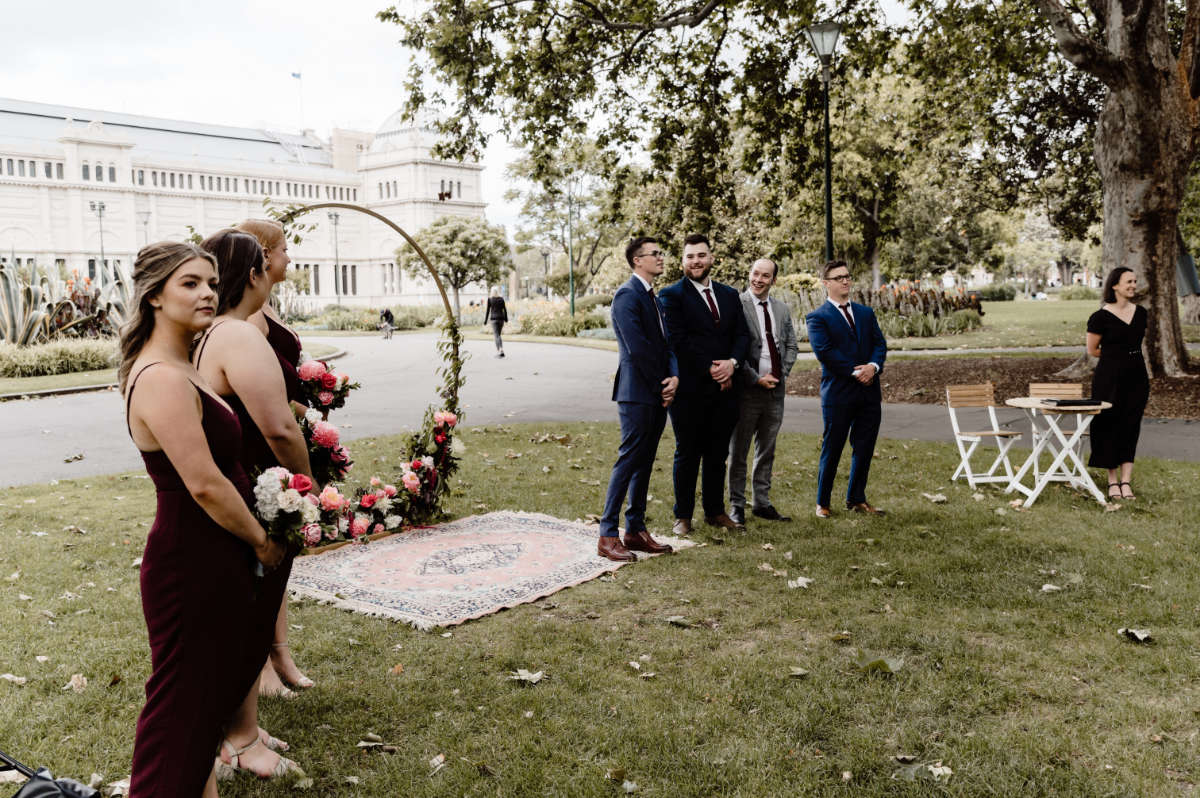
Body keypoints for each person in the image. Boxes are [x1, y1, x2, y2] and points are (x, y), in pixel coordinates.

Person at [120, 241, 285, 798]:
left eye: (211, 282)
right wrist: (262, 542)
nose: (208, 292)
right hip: (190, 561)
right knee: (178, 711)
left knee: (203, 704)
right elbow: (205, 483)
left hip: (214, 555)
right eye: (189, 283)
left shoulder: (181, 364)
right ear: (154, 297)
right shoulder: (161, 377)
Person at [194, 229, 310, 781]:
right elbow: (281, 427)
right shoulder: (235, 336)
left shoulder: (209, 332)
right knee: (245, 615)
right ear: (257, 272)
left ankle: (244, 728)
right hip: (248, 487)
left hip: (237, 484)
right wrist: (311, 490)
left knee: (247, 609)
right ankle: (239, 740)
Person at [234, 219, 314, 696]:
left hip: (281, 440)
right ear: (262, 257)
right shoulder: (245, 321)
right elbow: (258, 392)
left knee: (280, 556)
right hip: (260, 446)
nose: (290, 257)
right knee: (260, 557)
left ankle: (279, 650)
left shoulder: (265, 307)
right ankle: (258, 662)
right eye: (284, 249)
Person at [658, 233, 750, 535]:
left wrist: (732, 365)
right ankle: (682, 515)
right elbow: (678, 341)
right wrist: (713, 368)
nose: (696, 261)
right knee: (687, 452)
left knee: (717, 452)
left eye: (701, 255)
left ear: (711, 258)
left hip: (726, 390)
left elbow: (741, 336)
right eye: (690, 256)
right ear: (683, 261)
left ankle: (715, 511)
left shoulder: (729, 294)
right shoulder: (671, 295)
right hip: (690, 390)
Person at [597, 236, 680, 561]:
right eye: (654, 254)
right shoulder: (627, 295)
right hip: (637, 392)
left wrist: (674, 376)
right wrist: (663, 383)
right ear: (637, 261)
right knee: (628, 460)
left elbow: (666, 344)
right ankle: (607, 534)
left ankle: (634, 529)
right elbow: (638, 349)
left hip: (659, 390)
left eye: (660, 252)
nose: (660, 258)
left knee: (644, 461)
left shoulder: (654, 298)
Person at [806, 260, 888, 519]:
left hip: (869, 392)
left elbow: (880, 344)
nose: (845, 281)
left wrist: (873, 367)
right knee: (833, 447)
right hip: (839, 393)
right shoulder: (818, 318)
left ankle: (856, 498)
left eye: (847, 276)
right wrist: (857, 372)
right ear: (826, 283)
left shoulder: (865, 313)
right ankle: (823, 502)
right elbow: (826, 353)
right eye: (838, 277)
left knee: (864, 447)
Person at [728, 258, 799, 525]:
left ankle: (762, 502)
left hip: (775, 391)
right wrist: (756, 378)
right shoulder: (738, 305)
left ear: (774, 280)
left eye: (765, 276)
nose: (758, 279)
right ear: (749, 274)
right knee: (739, 451)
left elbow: (791, 345)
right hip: (748, 389)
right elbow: (734, 348)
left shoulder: (781, 308)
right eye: (755, 273)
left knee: (767, 449)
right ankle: (736, 506)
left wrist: (781, 375)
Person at [1086, 266, 1150, 500]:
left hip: (1137, 377)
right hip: (1108, 379)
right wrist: (1115, 356)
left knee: (1131, 426)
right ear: (1115, 286)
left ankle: (1126, 481)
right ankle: (1112, 481)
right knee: (1108, 425)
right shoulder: (1100, 317)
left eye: (1135, 281)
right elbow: (1092, 350)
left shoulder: (1142, 313)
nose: (1133, 285)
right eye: (1128, 282)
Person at [484, 286, 508, 357]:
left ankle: (500, 350)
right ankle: (500, 350)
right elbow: (505, 310)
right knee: (498, 335)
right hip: (501, 319)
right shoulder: (501, 299)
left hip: (494, 319)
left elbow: (488, 311)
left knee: (496, 335)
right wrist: (506, 319)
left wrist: (485, 321)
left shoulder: (490, 299)